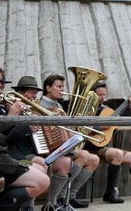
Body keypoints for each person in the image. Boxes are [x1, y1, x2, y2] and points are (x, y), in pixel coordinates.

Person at [0, 63, 50, 211]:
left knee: (41, 174)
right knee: (41, 182)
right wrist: (9, 117)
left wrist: (12, 119)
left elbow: (1, 135)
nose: (0, 85)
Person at [5, 75, 78, 211]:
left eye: (35, 93)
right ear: (22, 93)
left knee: (67, 163)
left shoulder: (31, 109)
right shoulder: (12, 107)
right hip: (20, 153)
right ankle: (28, 207)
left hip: (34, 151)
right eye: (32, 92)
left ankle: (52, 203)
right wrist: (28, 127)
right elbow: (8, 135)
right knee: (40, 163)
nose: (34, 96)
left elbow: (38, 134)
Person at [40, 74, 101, 208]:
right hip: (48, 149)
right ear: (48, 88)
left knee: (93, 159)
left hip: (60, 147)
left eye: (63, 87)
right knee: (82, 155)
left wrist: (82, 127)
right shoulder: (42, 105)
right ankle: (54, 200)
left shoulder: (58, 105)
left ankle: (69, 195)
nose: (62, 90)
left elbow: (64, 129)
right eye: (59, 86)